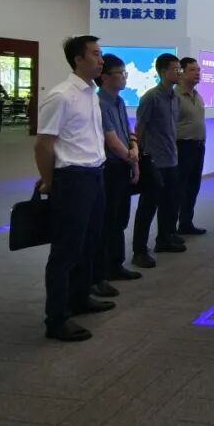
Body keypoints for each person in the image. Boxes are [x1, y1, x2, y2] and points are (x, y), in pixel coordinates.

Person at [34, 35, 114, 342]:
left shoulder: (91, 93)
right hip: (72, 178)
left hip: (95, 174)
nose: (101, 60)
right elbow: (43, 144)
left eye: (101, 54)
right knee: (66, 251)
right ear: (78, 59)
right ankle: (56, 319)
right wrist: (50, 181)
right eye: (95, 54)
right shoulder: (61, 96)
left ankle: (79, 298)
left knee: (89, 242)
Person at [94, 53, 142, 296]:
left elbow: (128, 131)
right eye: (120, 73)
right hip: (109, 168)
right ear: (104, 77)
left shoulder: (119, 101)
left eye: (125, 73)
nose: (124, 77)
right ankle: (101, 271)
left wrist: (134, 151)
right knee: (108, 220)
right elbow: (111, 141)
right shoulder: (99, 103)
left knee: (120, 218)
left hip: (123, 164)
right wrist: (131, 158)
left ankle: (116, 264)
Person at [132, 53, 185, 267]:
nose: (179, 73)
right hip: (154, 161)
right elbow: (140, 128)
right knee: (147, 208)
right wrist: (139, 158)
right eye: (176, 69)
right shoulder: (150, 98)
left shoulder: (175, 98)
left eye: (180, 69)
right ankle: (139, 251)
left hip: (171, 159)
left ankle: (164, 239)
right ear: (163, 72)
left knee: (170, 204)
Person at [175, 57, 207, 236]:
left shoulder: (197, 95)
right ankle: (170, 228)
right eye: (193, 70)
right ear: (181, 73)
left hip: (198, 146)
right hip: (182, 147)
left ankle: (186, 223)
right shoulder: (175, 96)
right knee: (178, 188)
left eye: (199, 70)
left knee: (193, 187)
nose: (197, 73)